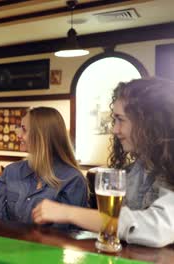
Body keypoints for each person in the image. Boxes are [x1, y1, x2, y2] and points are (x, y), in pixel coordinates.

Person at [32, 78, 174, 247]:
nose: (114, 130)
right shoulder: (140, 167)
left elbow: (156, 229)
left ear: (149, 121)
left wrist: (67, 212)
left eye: (120, 120)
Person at [0, 107, 88, 227]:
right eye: (19, 128)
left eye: (24, 130)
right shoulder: (10, 172)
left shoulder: (73, 180)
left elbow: (69, 234)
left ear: (42, 136)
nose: (18, 135)